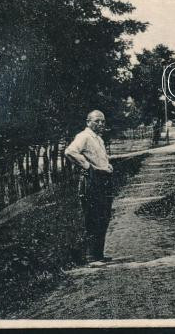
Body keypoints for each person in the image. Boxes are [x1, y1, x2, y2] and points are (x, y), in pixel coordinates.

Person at [65, 110, 115, 267]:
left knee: (104, 216)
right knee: (93, 216)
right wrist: (87, 166)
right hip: (91, 181)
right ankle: (91, 257)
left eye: (103, 121)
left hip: (103, 180)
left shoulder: (98, 139)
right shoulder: (84, 136)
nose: (100, 124)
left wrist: (107, 166)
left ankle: (98, 254)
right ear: (88, 122)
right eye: (97, 121)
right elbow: (70, 151)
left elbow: (99, 158)